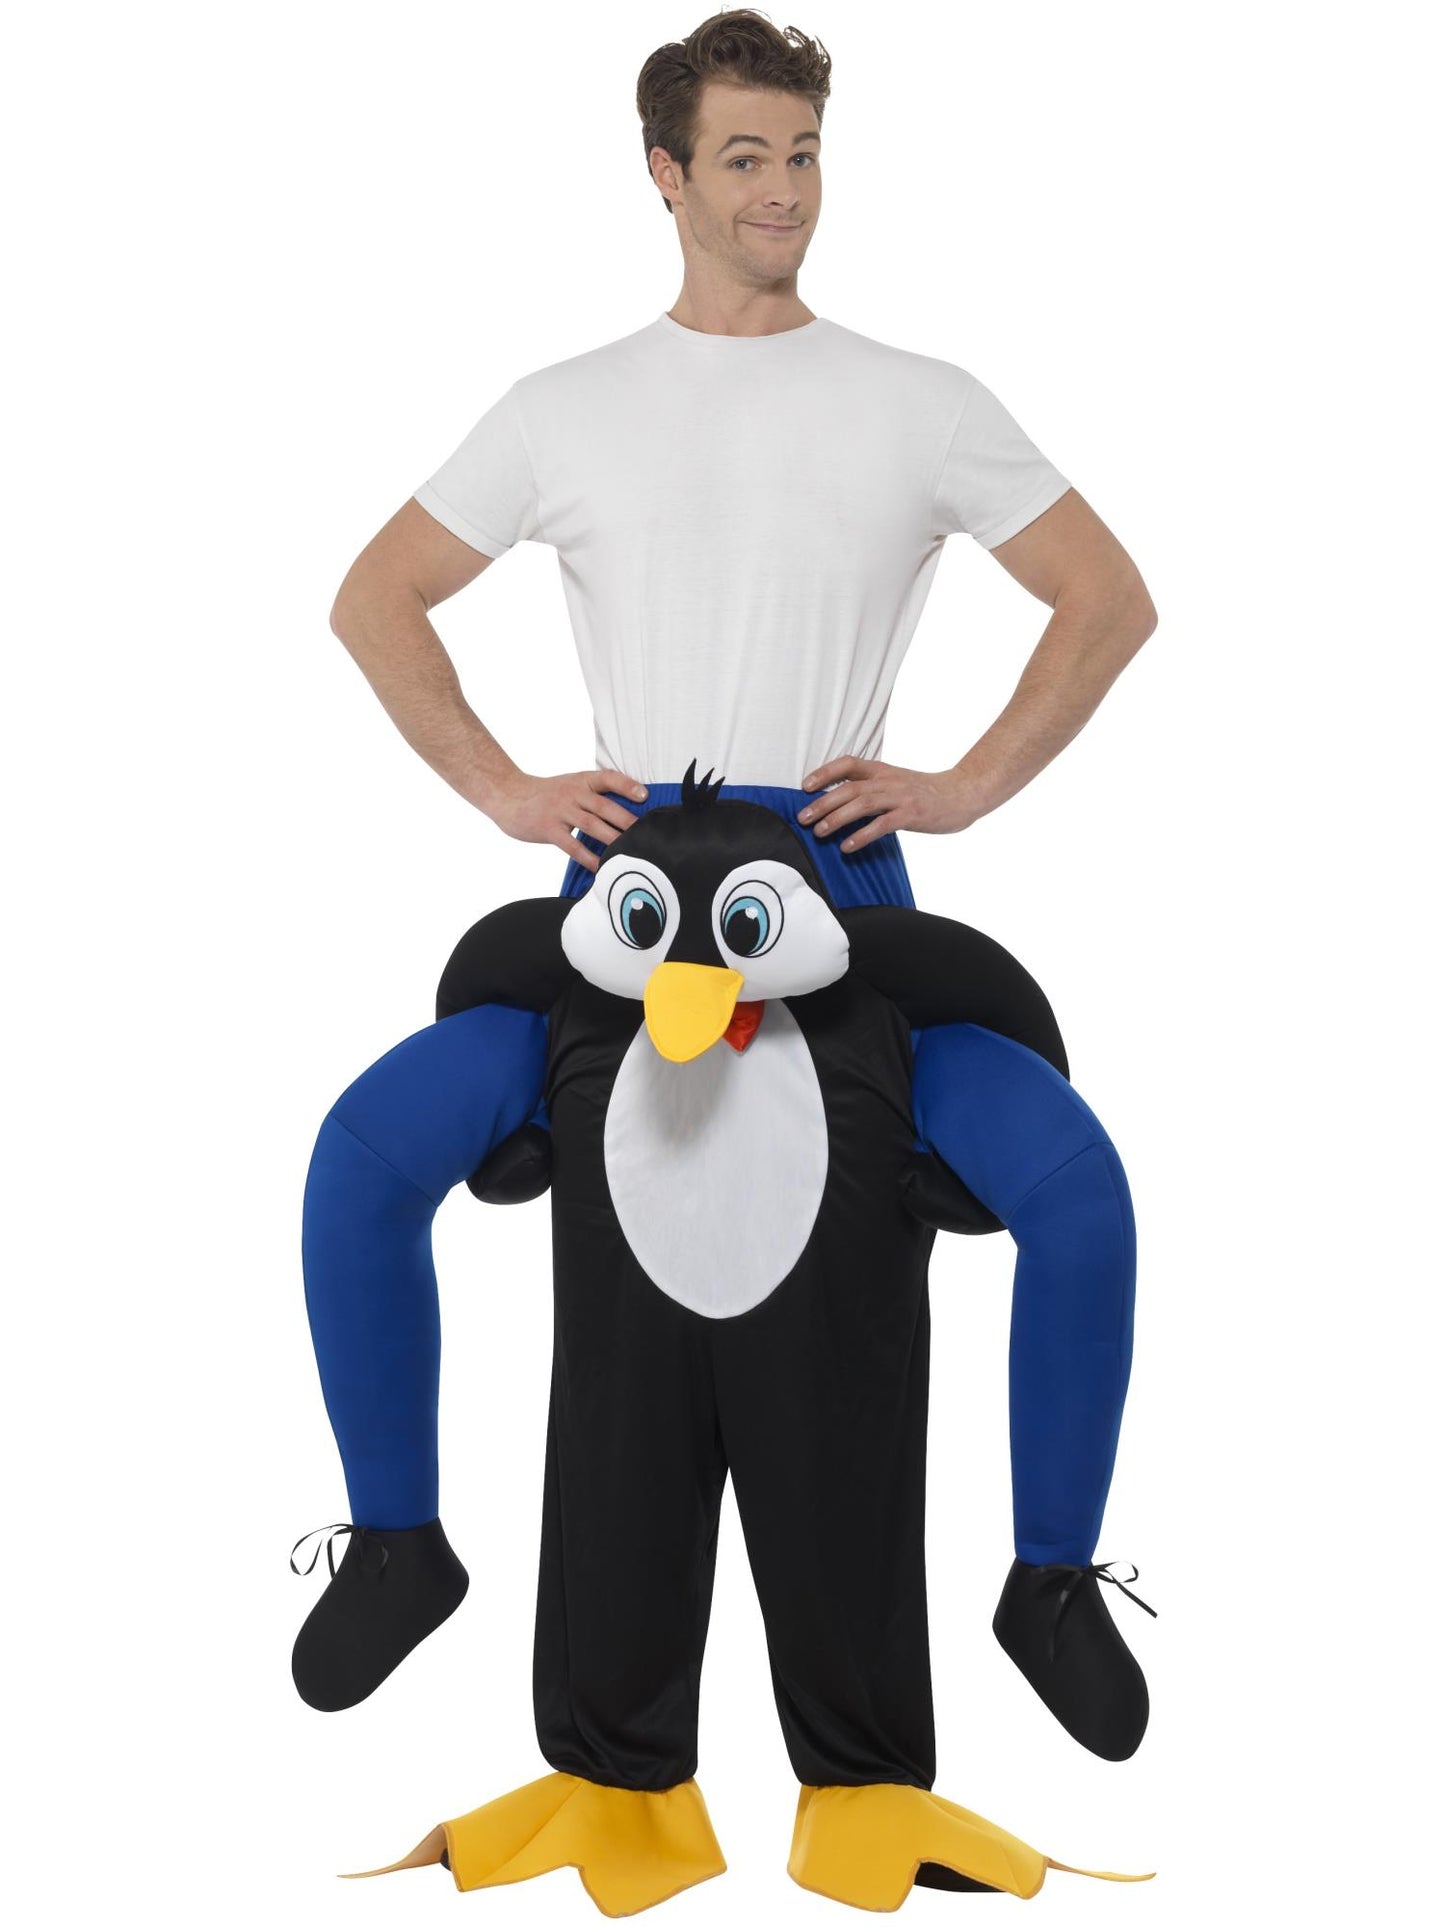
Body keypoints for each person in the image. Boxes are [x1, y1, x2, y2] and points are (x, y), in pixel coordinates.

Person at [294, 10, 1160, 1897]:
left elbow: (1108, 599)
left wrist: (960, 786)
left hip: (836, 907)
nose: (782, 192)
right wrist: (509, 790)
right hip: (624, 917)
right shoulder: (563, 405)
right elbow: (376, 600)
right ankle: (396, 1540)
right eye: (745, 158)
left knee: (1074, 1192)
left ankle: (1049, 1581)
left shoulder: (920, 399)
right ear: (665, 176)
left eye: (803, 154)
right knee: (364, 1152)